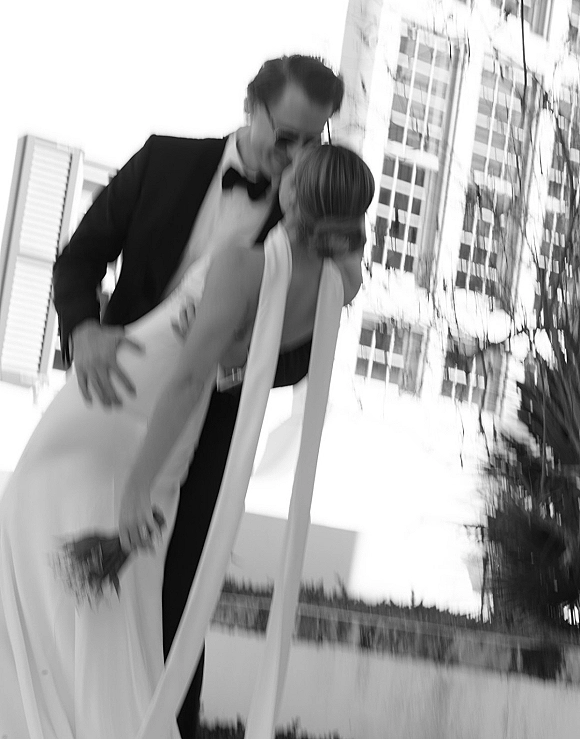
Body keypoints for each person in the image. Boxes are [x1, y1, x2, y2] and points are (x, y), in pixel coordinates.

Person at [0, 144, 375, 739]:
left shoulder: (241, 264)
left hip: (121, 405)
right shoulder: (341, 282)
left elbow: (190, 376)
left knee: (28, 537)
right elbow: (239, 358)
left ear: (295, 195)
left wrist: (137, 489)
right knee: (112, 597)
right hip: (170, 425)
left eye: (293, 172)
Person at [50, 54, 344, 737]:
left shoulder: (307, 221)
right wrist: (83, 330)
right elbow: (78, 258)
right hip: (109, 400)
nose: (298, 155)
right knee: (57, 550)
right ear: (252, 107)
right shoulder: (166, 162)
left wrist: (238, 363)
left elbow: (300, 354)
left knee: (179, 593)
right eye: (288, 136)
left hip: (209, 434)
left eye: (315, 140)